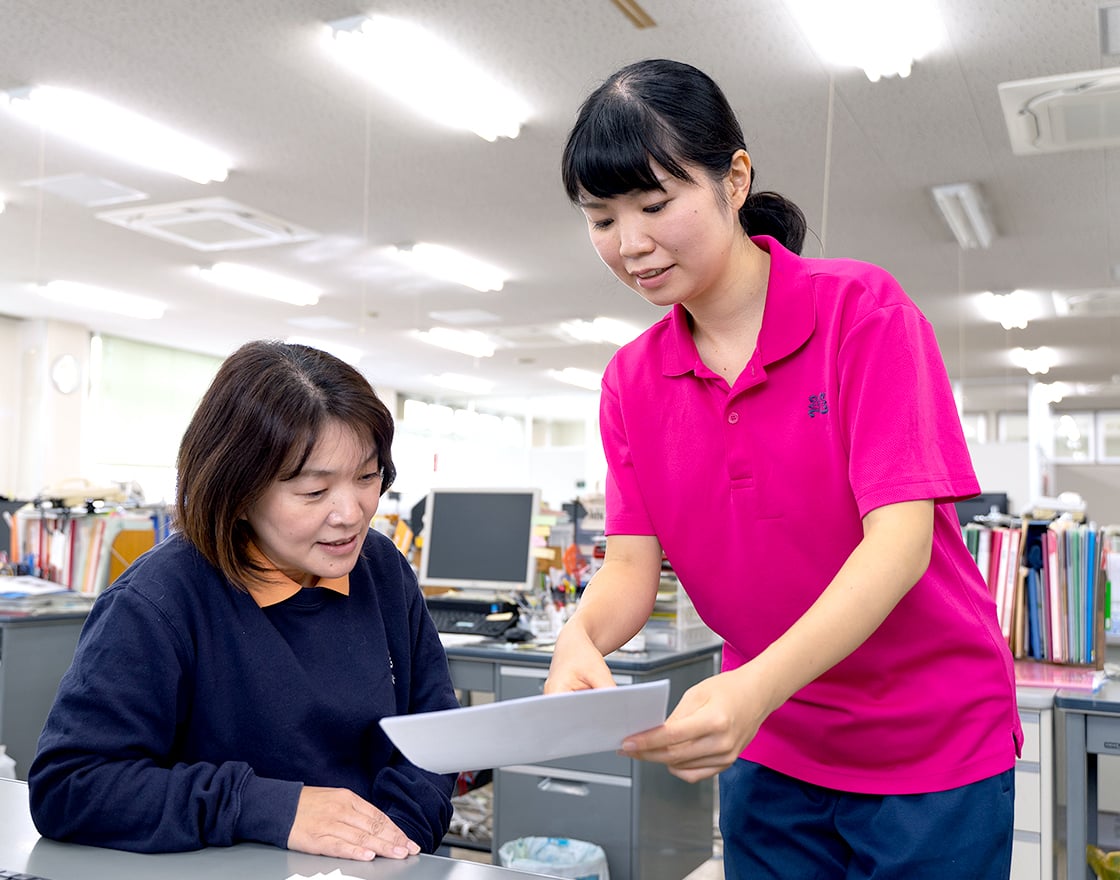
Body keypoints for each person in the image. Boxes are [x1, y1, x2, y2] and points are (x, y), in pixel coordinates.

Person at [544, 59, 1022, 879]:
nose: (631, 245)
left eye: (656, 205)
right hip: (773, 743)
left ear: (735, 180)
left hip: (928, 739)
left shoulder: (862, 314)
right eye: (602, 218)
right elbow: (630, 565)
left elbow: (898, 545)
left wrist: (755, 689)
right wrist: (579, 637)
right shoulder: (631, 381)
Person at [28, 340, 459, 861]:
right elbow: (71, 786)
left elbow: (434, 740)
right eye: (313, 491)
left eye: (367, 477)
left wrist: (389, 843)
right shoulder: (159, 601)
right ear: (238, 493)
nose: (351, 512)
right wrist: (270, 808)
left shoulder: (381, 569)